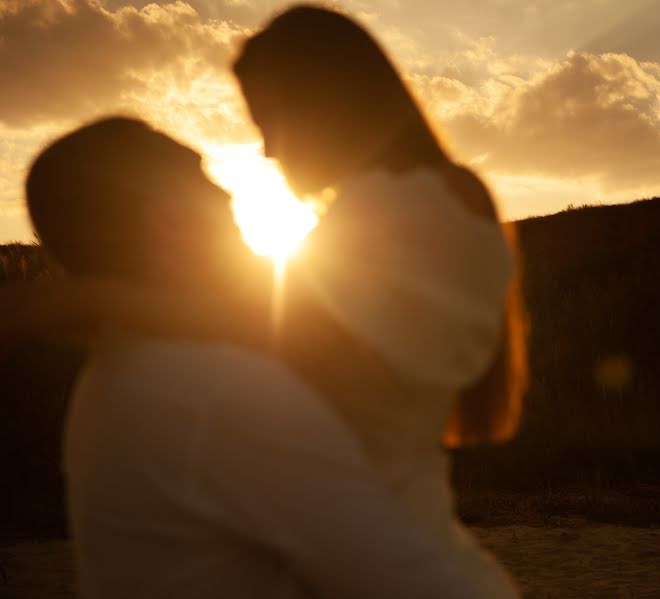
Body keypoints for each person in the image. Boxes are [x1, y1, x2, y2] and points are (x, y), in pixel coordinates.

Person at [10, 5, 527, 596]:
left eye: (270, 121)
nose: (267, 151)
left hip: (389, 541)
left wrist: (89, 302)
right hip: (377, 536)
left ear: (327, 100)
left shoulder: (408, 210)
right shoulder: (382, 212)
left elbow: (272, 326)